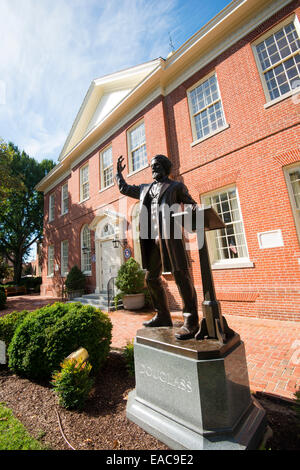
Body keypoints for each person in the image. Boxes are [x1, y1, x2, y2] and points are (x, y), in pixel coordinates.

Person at [115, 154, 199, 340]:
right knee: (151, 278)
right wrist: (118, 174)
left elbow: (192, 203)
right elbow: (124, 188)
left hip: (170, 236)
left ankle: (191, 321)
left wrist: (194, 210)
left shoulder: (176, 186)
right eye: (151, 166)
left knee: (181, 275)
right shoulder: (145, 189)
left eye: (157, 165)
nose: (153, 169)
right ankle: (162, 315)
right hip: (150, 238)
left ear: (165, 167)